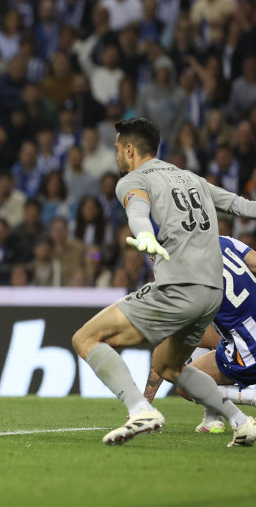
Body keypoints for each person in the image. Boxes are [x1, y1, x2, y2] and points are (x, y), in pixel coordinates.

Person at [71, 117, 256, 447]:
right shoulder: (191, 178)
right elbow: (238, 205)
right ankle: (241, 422)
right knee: (168, 366)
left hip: (180, 286)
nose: (116, 155)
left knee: (85, 338)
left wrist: (143, 234)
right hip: (212, 295)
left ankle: (140, 410)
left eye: (117, 148)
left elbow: (137, 210)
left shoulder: (133, 180)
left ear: (130, 149)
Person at [143, 236, 256, 434]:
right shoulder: (222, 240)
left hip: (248, 352)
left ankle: (251, 396)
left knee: (186, 384)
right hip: (244, 337)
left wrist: (143, 404)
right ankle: (211, 418)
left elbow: (166, 355)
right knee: (208, 342)